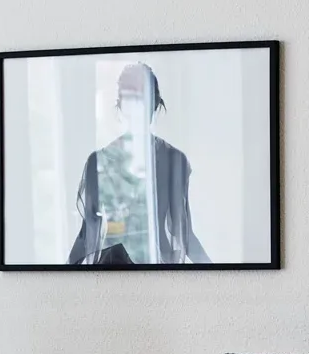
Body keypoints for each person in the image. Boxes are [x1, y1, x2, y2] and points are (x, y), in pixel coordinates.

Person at [67, 61, 209, 265]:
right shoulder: (98, 162)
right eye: (131, 98)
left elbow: (184, 235)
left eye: (141, 97)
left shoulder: (174, 160)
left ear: (155, 102)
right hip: (113, 270)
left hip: (153, 272)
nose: (137, 106)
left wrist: (225, 276)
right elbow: (86, 235)